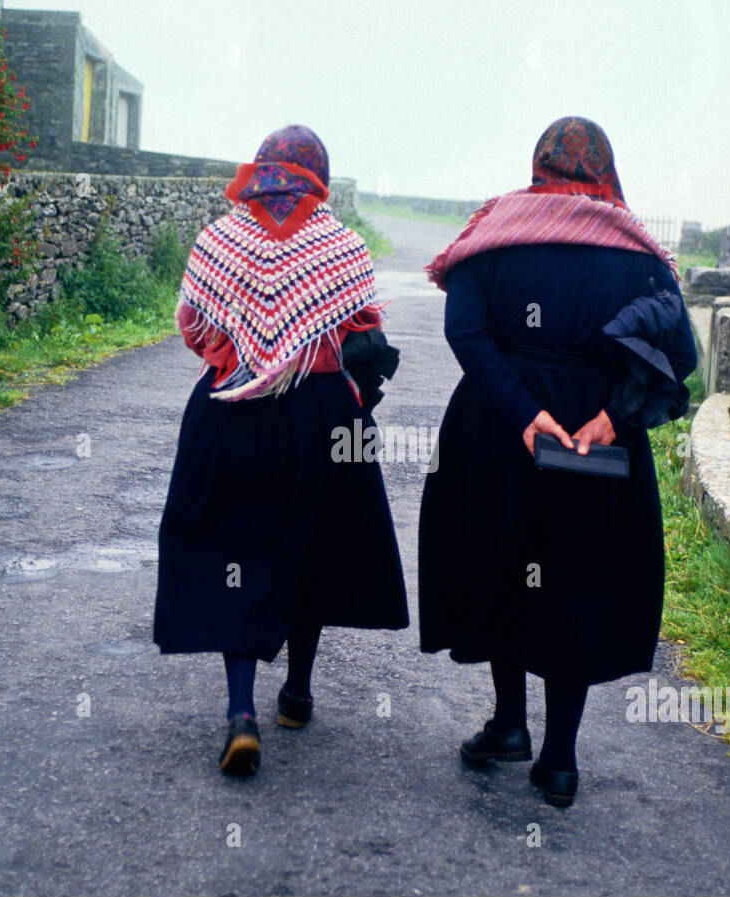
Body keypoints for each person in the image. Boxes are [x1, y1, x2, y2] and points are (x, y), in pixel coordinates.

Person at [418, 116, 697, 808]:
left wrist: (521, 413)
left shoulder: (497, 230)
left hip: (496, 429)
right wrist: (613, 419)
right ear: (605, 169)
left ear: (539, 163)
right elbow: (680, 352)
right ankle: (560, 760)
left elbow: (464, 328)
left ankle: (509, 724)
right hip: (594, 443)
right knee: (574, 579)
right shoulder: (637, 251)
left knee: (505, 567)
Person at [154, 125, 409, 777]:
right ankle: (295, 694)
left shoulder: (220, 237)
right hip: (319, 418)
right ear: (318, 176)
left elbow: (192, 324)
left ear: (263, 169)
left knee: (233, 556)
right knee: (311, 548)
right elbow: (368, 333)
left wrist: (239, 361)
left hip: (230, 413)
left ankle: (242, 713)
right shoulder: (341, 244)